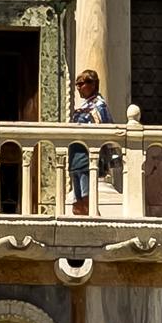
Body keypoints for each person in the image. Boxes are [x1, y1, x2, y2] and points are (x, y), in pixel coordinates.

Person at [68, 68, 114, 216]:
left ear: (93, 85)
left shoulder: (99, 106)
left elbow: (105, 130)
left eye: (81, 83)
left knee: (88, 198)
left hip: (87, 157)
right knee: (78, 201)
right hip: (76, 156)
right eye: (77, 84)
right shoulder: (84, 106)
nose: (78, 87)